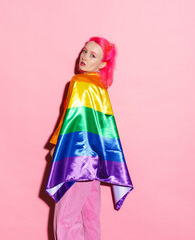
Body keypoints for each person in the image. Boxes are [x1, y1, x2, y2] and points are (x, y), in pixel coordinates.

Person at [46, 36, 133, 240]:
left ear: (102, 63)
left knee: (65, 218)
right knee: (91, 216)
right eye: (85, 51)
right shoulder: (100, 86)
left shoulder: (80, 83)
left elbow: (71, 120)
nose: (84, 57)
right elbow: (100, 127)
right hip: (95, 159)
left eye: (92, 55)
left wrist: (57, 146)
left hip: (76, 158)